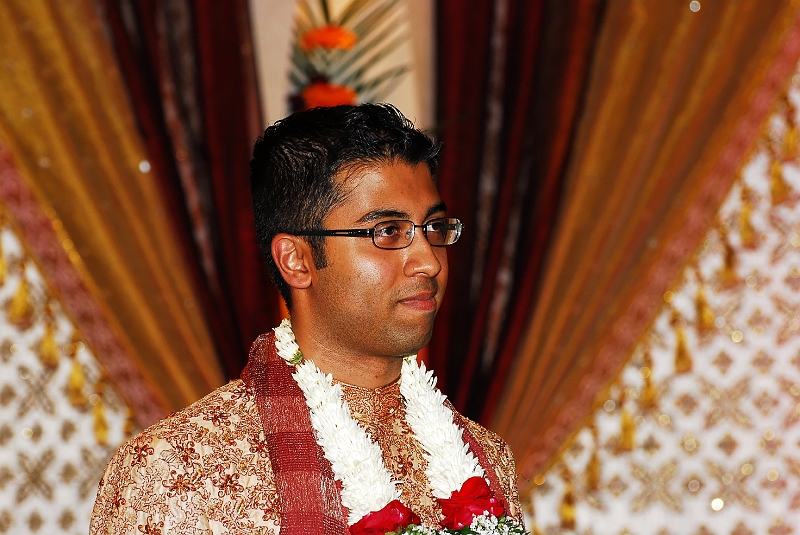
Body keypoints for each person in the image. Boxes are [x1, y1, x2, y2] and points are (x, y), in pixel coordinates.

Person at [90, 104, 525, 535]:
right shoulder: (176, 475)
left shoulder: (486, 461)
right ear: (296, 260)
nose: (428, 261)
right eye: (389, 231)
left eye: (433, 227)